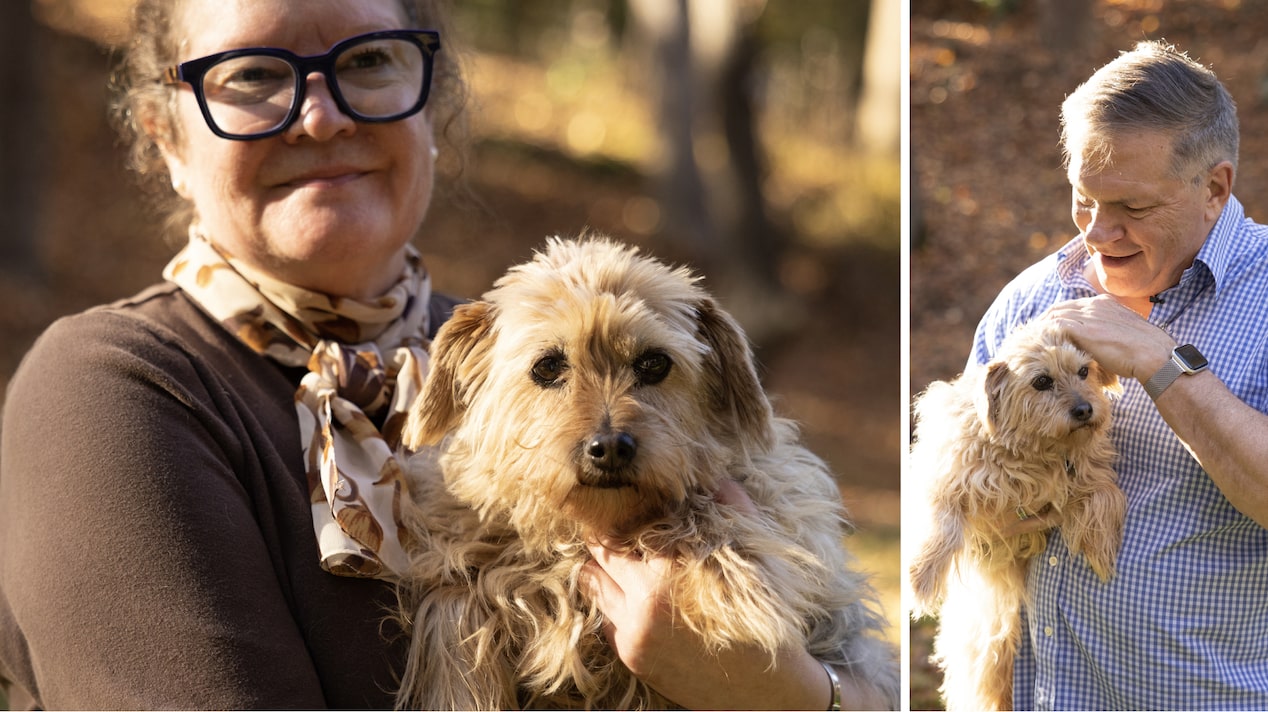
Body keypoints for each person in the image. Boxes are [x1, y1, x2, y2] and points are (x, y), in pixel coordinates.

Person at [0, 0, 891, 708]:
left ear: (431, 106)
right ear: (166, 139)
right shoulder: (115, 391)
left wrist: (786, 694)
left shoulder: (500, 337)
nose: (320, 117)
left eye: (368, 62)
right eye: (253, 74)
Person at [970, 40, 1268, 710]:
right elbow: (955, 485)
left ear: (1214, 189)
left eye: (1131, 209)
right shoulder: (1030, 300)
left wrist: (1166, 365)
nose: (1099, 234)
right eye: (1084, 199)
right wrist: (1012, 506)